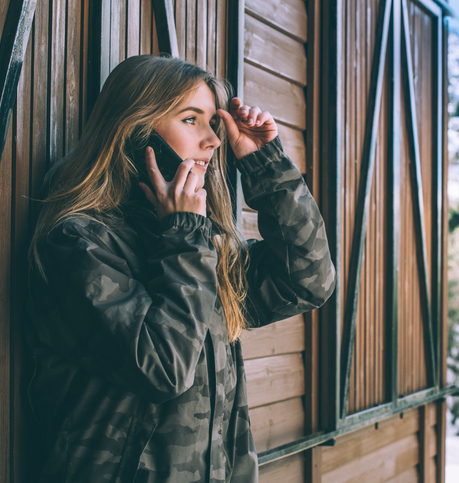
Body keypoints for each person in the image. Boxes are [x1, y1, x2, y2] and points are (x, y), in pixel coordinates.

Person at [26, 54, 335, 482]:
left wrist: (266, 162)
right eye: (192, 119)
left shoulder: (199, 246)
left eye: (214, 123)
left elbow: (308, 280)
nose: (213, 140)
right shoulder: (79, 243)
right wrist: (186, 232)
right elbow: (163, 369)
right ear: (136, 132)